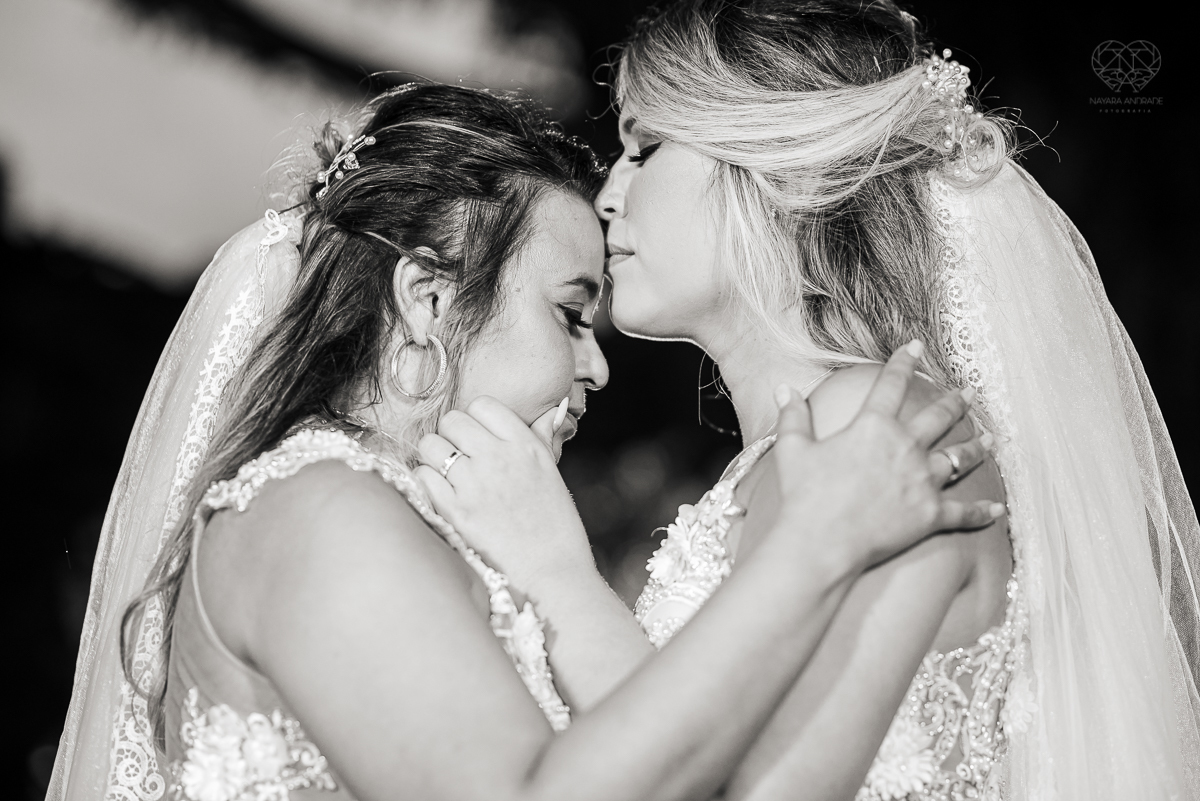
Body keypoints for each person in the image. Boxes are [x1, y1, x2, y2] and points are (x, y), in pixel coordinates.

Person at [47, 83, 1000, 801]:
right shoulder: (321, 511)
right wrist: (813, 547)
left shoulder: (382, 518)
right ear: (426, 298)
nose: (598, 369)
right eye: (569, 314)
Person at [419, 2, 1200, 799]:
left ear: (781, 167)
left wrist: (556, 573)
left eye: (645, 149)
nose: (609, 193)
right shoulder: (819, 438)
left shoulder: (881, 429)